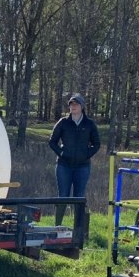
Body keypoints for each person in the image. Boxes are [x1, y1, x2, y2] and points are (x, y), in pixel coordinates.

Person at [48, 94, 101, 226]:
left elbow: (97, 144)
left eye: (76, 104)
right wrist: (61, 153)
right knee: (63, 196)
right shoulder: (63, 122)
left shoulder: (89, 124)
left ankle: (78, 230)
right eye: (71, 104)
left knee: (78, 197)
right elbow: (52, 141)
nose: (73, 107)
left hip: (82, 167)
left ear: (82, 106)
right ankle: (57, 226)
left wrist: (86, 154)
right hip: (64, 166)